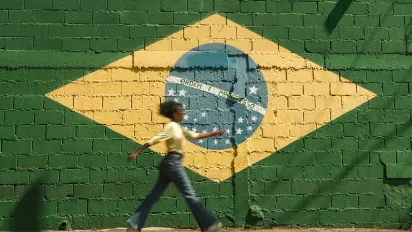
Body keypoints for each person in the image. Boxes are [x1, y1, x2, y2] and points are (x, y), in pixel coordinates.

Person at [126, 101, 225, 232]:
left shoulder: (179, 128)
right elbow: (154, 139)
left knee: (153, 196)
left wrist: (214, 133)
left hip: (169, 164)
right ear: (174, 114)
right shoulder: (171, 127)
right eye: (180, 111)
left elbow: (195, 136)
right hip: (173, 163)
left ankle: (134, 224)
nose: (183, 112)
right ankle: (209, 224)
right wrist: (137, 152)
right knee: (190, 194)